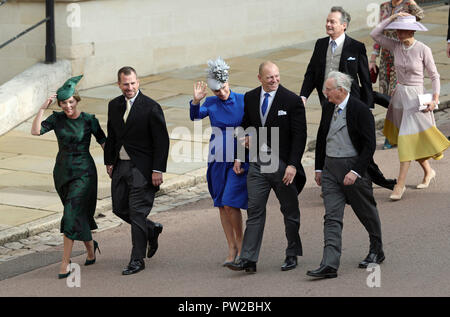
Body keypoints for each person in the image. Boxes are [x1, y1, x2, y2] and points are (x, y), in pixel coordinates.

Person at [300, 6, 396, 191]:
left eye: (332, 21)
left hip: (350, 103)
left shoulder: (356, 47)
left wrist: (366, 106)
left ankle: (375, 178)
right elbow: (311, 73)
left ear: (344, 25)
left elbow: (365, 80)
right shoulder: (320, 45)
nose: (328, 24)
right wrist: (303, 95)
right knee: (326, 136)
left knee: (357, 141)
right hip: (327, 101)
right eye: (327, 21)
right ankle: (328, 177)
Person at [225, 61, 307, 273]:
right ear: (259, 78)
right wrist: (239, 154)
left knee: (289, 211)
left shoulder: (292, 100)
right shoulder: (251, 97)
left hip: (281, 166)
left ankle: (292, 253)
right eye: (270, 77)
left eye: (277, 76)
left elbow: (300, 136)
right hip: (257, 165)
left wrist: (292, 165)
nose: (275, 80)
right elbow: (244, 125)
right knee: (254, 211)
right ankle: (249, 259)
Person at [307, 72, 384, 279]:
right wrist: (318, 168)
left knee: (365, 211)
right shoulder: (327, 107)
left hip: (353, 167)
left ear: (341, 90)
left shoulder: (360, 110)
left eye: (328, 89)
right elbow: (322, 137)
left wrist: (356, 171)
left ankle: (377, 249)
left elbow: (369, 145)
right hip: (330, 168)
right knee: (331, 216)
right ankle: (329, 264)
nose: (325, 93)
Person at [31, 75, 106, 279]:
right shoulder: (56, 118)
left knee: (71, 215)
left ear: (77, 100)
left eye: (71, 101)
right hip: (63, 172)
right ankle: (91, 247)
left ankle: (64, 263)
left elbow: (103, 142)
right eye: (63, 102)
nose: (67, 106)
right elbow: (36, 131)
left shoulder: (89, 120)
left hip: (85, 173)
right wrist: (42, 109)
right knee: (77, 215)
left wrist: (112, 165)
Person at [371, 13, 450, 201]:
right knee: (407, 139)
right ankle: (429, 171)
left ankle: (400, 184)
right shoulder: (395, 46)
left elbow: (434, 76)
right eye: (397, 29)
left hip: (417, 100)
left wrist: (435, 99)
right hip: (399, 98)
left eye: (402, 29)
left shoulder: (424, 49)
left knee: (407, 140)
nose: (398, 32)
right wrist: (393, 17)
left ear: (412, 30)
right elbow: (375, 34)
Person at [104, 67, 170, 275]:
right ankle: (151, 229)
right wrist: (109, 161)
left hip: (143, 168)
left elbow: (162, 141)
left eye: (133, 83)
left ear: (138, 82)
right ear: (119, 84)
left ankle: (137, 259)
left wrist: (157, 170)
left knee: (137, 213)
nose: (129, 87)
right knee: (119, 208)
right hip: (120, 166)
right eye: (125, 84)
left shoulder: (151, 107)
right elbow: (112, 135)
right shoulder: (114, 105)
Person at [189, 57, 248, 266]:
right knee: (222, 204)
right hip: (217, 157)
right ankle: (231, 246)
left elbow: (249, 129)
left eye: (223, 88)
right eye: (216, 91)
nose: (221, 93)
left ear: (228, 82)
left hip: (237, 159)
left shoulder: (242, 100)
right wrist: (196, 101)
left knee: (232, 203)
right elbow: (195, 117)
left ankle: (242, 245)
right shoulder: (211, 102)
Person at [369, 0, 424, 149]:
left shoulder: (407, 5)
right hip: (386, 58)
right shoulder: (384, 6)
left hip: (403, 56)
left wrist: (412, 3)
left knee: (398, 96)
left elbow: (420, 16)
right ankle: (398, 131)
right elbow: (378, 32)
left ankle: (396, 134)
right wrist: (373, 58)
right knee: (389, 97)